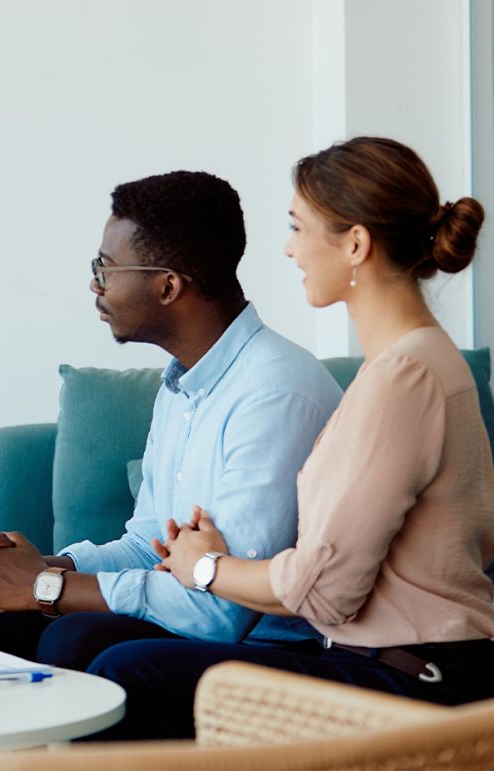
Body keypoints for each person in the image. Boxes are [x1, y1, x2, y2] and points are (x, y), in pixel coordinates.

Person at [93, 136, 494, 741]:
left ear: (355, 244)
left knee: (131, 671)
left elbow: (325, 592)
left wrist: (205, 568)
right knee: (109, 654)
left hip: (413, 679)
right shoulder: (412, 365)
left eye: (298, 227)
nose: (288, 248)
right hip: (392, 659)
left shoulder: (403, 378)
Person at [0, 171, 343, 672]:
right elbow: (148, 547)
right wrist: (34, 569)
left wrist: (42, 587)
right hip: (196, 621)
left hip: (268, 647)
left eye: (106, 268)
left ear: (168, 286)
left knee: (75, 638)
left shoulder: (275, 393)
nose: (95, 284)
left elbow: (220, 609)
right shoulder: (182, 385)